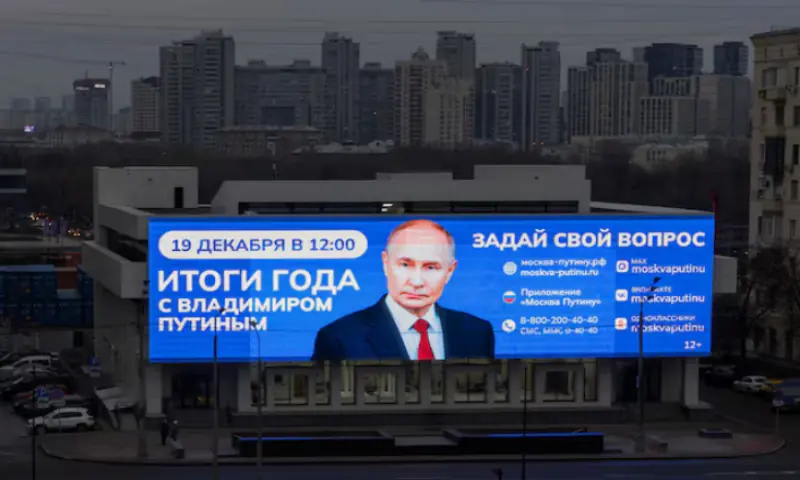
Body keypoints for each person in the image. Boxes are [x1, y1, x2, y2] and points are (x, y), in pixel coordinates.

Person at [311, 219, 494, 362]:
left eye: (431, 267)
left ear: (450, 271)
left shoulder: (477, 332)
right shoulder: (339, 337)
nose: (416, 281)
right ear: (385, 263)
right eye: (405, 264)